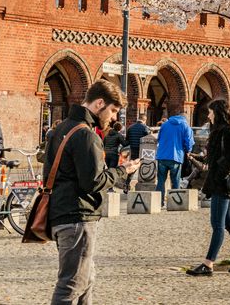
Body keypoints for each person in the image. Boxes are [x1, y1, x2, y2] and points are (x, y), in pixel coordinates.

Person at [44, 79, 141, 304]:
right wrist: (122, 171)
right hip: (77, 217)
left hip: (62, 213)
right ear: (99, 104)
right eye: (113, 110)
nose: (114, 118)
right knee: (71, 284)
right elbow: (93, 182)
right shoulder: (86, 135)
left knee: (86, 278)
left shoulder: (61, 128)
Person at [187, 99, 230, 276]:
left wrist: (219, 175)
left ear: (217, 112)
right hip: (219, 182)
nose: (208, 115)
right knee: (229, 223)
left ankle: (208, 264)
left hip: (222, 185)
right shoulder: (217, 131)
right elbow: (214, 158)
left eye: (210, 112)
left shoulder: (228, 131)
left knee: (217, 224)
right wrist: (196, 157)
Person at [154, 106, 194, 202]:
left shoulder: (165, 124)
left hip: (162, 156)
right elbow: (188, 142)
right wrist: (188, 151)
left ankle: (159, 202)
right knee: (175, 180)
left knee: (161, 181)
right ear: (186, 119)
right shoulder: (185, 126)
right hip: (176, 157)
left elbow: (158, 138)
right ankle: (174, 202)